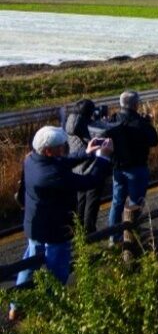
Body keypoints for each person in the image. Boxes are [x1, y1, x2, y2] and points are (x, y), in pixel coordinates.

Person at [11, 126, 112, 320]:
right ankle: (48, 310)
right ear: (49, 150)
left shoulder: (31, 159)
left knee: (29, 264)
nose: (64, 148)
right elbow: (88, 181)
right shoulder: (53, 175)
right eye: (61, 146)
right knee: (57, 272)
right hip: (55, 230)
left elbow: (61, 162)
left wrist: (87, 153)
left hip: (34, 225)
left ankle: (16, 305)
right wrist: (103, 158)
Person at [107, 91, 158, 244]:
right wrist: (149, 123)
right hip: (136, 169)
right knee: (136, 203)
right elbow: (154, 141)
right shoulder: (140, 123)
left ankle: (114, 237)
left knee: (117, 202)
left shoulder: (113, 119)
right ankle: (131, 235)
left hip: (118, 168)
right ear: (136, 105)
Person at [65, 99, 108, 234]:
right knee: (92, 200)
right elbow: (97, 140)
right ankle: (89, 231)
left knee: (80, 200)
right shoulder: (85, 125)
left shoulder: (71, 121)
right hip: (90, 166)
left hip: (76, 166)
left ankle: (78, 229)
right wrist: (101, 122)